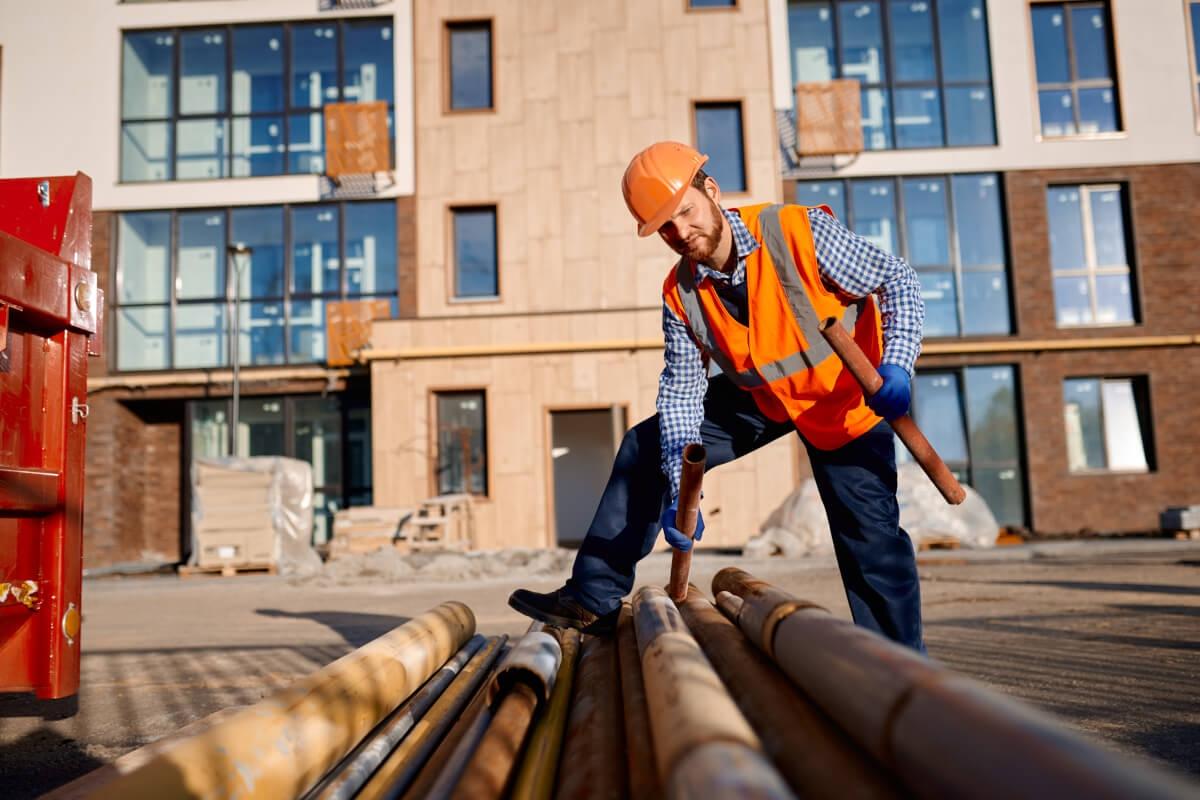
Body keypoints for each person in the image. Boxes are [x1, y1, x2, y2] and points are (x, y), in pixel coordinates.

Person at [509, 141, 927, 651]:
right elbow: (683, 391)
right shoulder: (680, 292)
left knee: (872, 543)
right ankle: (591, 598)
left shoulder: (798, 232)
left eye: (685, 211)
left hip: (846, 396)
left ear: (712, 190)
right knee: (646, 447)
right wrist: (681, 481)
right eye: (665, 227)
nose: (681, 233)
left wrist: (897, 366)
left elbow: (897, 281)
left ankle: (901, 668)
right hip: (768, 400)